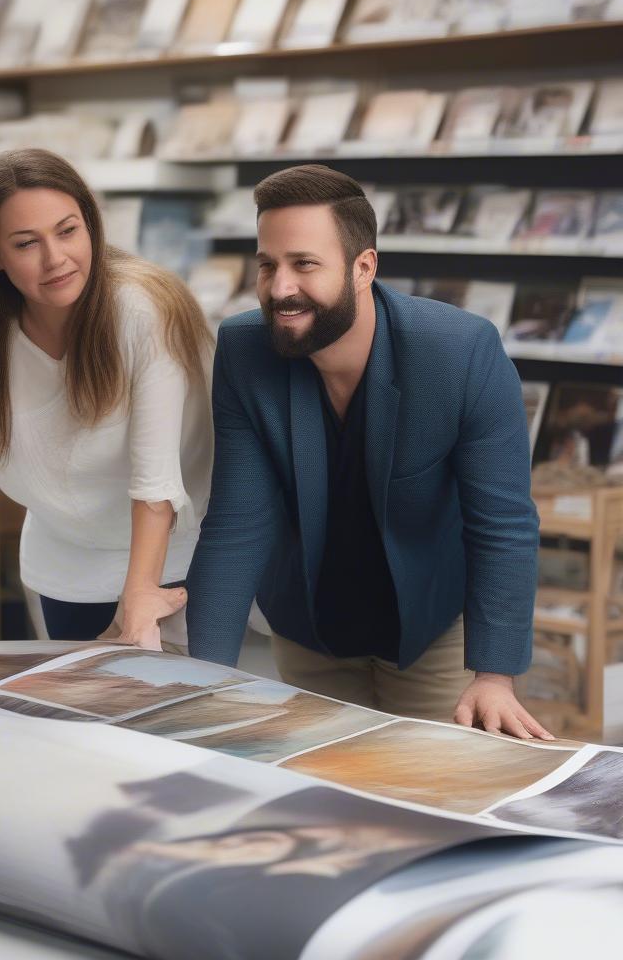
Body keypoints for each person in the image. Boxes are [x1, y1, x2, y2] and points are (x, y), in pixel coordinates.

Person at [185, 164, 549, 740]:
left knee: (434, 796)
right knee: (319, 796)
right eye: (267, 265)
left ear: (363, 267)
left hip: (433, 632)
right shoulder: (243, 350)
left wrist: (495, 675)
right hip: (309, 632)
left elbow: (502, 521)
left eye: (305, 264)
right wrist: (200, 677)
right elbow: (237, 523)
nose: (280, 288)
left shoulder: (459, 351)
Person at [0, 148, 212, 669]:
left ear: (92, 227)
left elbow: (156, 482)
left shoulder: (141, 311)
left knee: (167, 728)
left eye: (68, 231)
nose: (56, 258)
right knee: (78, 730)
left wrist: (139, 597)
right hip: (67, 559)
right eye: (27, 244)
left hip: (175, 559)